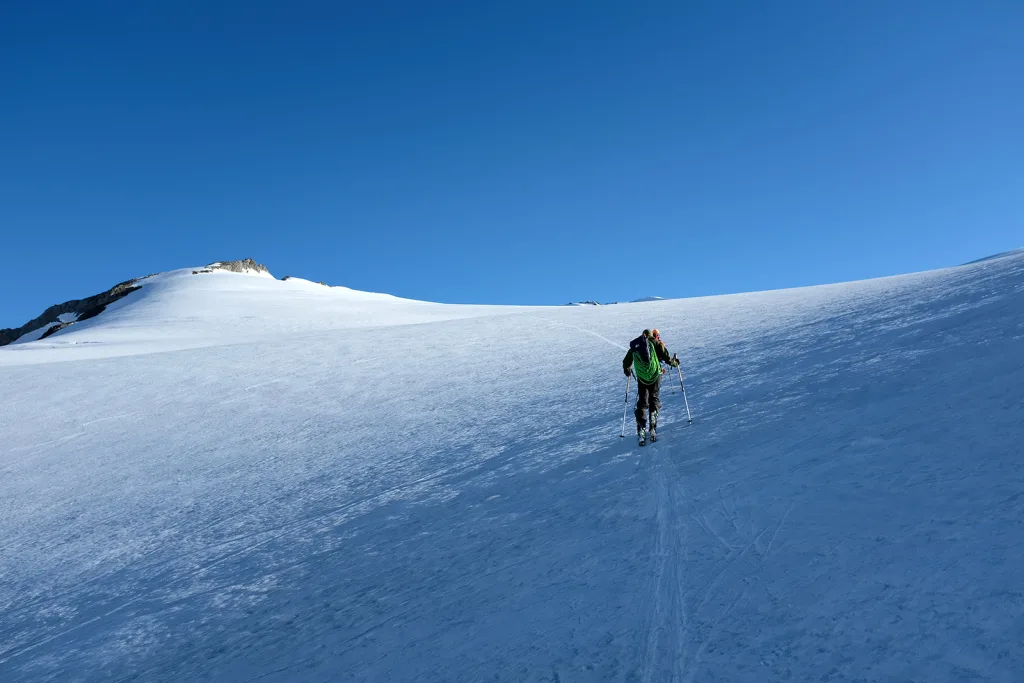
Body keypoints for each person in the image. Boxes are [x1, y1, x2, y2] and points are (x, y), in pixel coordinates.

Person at [622, 328, 679, 444]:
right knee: (654, 399)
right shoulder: (656, 343)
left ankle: (641, 430)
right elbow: (667, 358)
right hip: (655, 376)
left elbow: (626, 362)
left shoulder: (636, 346)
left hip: (642, 378)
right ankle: (653, 427)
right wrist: (675, 363)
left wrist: (627, 370)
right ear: (652, 335)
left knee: (642, 403)